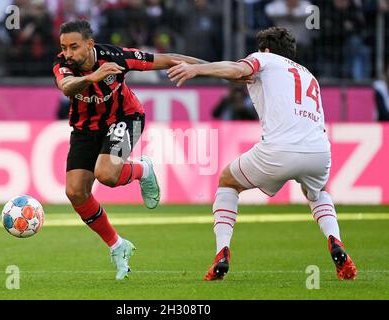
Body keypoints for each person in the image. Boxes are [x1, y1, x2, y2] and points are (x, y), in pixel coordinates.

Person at [167, 27, 358, 281]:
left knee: (227, 181)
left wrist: (197, 70)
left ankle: (222, 251)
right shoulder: (309, 75)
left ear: (266, 50)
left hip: (279, 150)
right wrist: (200, 64)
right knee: (318, 192)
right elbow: (236, 75)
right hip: (319, 151)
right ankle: (335, 240)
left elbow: (237, 70)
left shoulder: (264, 59)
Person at [53, 20, 205, 280]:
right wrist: (94, 77)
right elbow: (66, 86)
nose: (68, 53)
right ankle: (117, 245)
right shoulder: (63, 65)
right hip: (85, 128)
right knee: (75, 192)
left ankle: (143, 169)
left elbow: (167, 59)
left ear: (90, 44)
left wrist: (213, 69)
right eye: (64, 47)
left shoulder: (116, 57)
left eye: (74, 47)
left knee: (107, 174)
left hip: (126, 117)